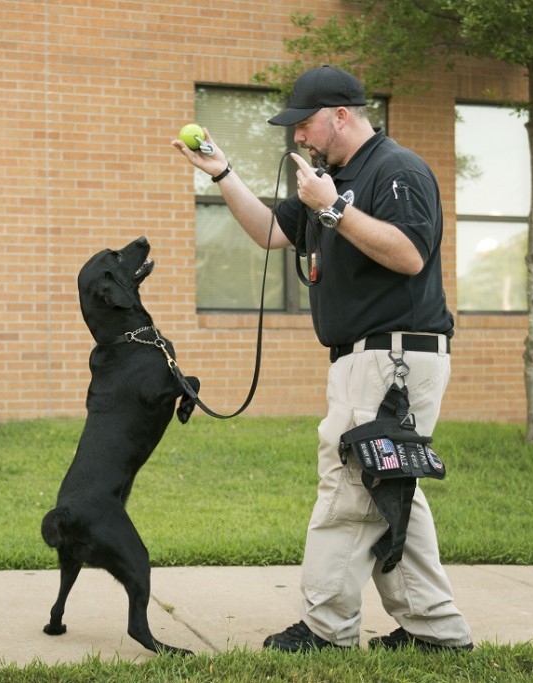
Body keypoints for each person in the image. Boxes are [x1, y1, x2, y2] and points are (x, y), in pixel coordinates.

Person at [171, 65, 473, 651]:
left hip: (393, 357)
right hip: (363, 360)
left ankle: (325, 628)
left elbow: (411, 254)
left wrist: (333, 209)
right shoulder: (326, 180)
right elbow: (269, 233)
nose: (298, 139)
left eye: (305, 125)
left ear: (340, 115)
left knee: (350, 484)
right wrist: (224, 174)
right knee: (385, 487)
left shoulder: (395, 169)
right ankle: (435, 629)